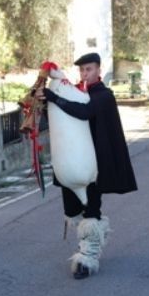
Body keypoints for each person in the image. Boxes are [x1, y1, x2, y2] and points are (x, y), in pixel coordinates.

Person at [35, 53, 137, 279]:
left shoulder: (103, 95)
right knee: (71, 210)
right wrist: (43, 102)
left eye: (89, 69)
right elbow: (63, 113)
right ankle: (94, 236)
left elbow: (84, 111)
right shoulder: (76, 93)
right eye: (82, 70)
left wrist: (54, 97)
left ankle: (87, 258)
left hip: (94, 167)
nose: (84, 74)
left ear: (98, 70)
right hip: (72, 162)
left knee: (91, 209)